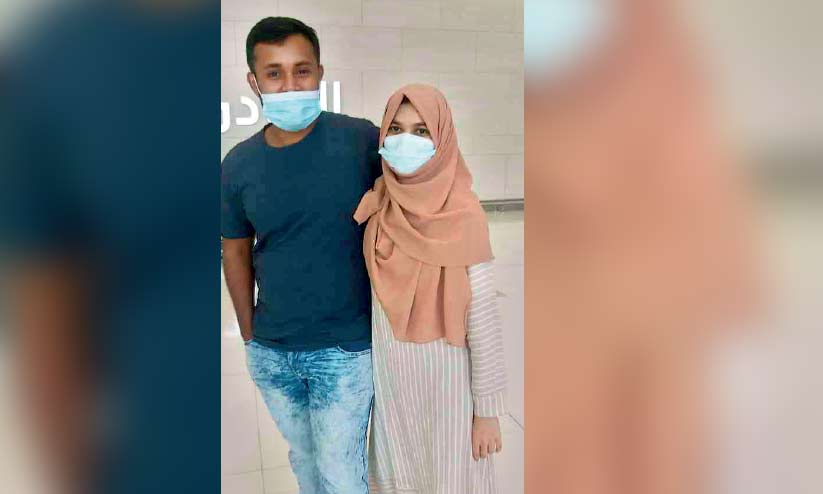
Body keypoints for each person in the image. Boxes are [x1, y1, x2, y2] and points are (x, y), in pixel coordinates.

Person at [221, 17, 381, 494]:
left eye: (302, 70)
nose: (290, 85)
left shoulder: (360, 141)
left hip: (345, 349)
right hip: (272, 351)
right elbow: (235, 249)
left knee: (340, 471)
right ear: (254, 82)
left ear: (320, 73)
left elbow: (417, 191)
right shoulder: (238, 164)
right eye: (274, 73)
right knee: (304, 458)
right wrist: (249, 333)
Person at [354, 84, 509, 493]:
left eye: (421, 131)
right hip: (393, 387)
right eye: (396, 129)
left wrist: (487, 412)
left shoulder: (464, 214)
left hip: (449, 389)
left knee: (450, 477)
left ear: (442, 140)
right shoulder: (380, 208)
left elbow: (483, 317)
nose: (405, 140)